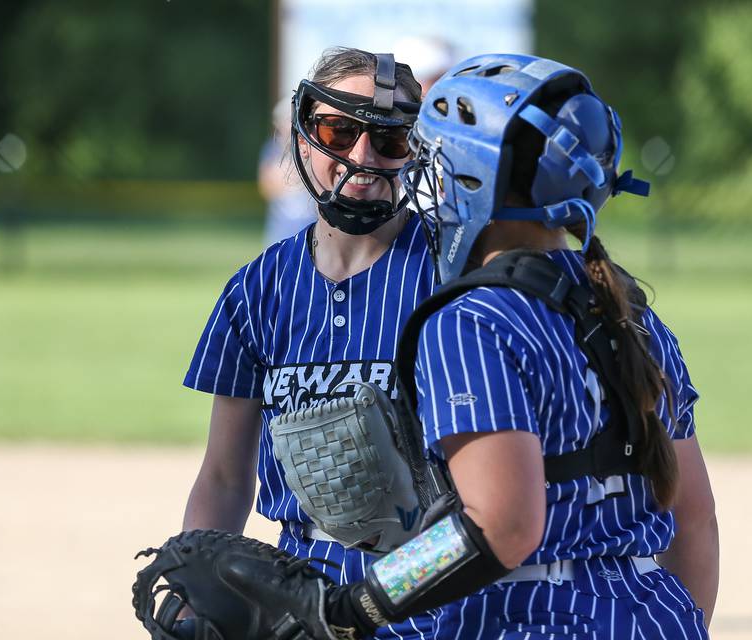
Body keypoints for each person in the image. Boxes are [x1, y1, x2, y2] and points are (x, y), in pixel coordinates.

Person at [208, 53, 719, 640]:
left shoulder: (469, 320)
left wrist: (352, 605)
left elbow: (499, 524)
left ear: (473, 175)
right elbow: (694, 517)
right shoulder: (625, 309)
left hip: (523, 618)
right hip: (649, 610)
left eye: (436, 161)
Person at [181, 47, 437, 639]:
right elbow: (224, 476)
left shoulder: (454, 280)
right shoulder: (256, 291)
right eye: (338, 130)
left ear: (416, 152)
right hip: (300, 595)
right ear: (302, 136)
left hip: (436, 593)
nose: (361, 156)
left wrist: (374, 603)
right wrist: (196, 590)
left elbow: (498, 511)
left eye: (389, 140)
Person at [259, 97, 317, 245]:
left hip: (310, 227)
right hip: (281, 229)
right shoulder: (272, 150)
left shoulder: (312, 147)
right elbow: (266, 187)